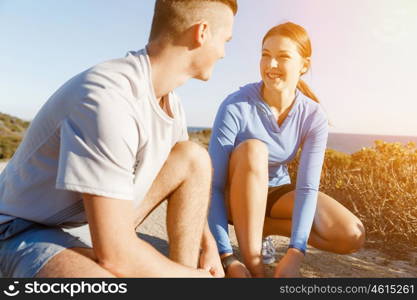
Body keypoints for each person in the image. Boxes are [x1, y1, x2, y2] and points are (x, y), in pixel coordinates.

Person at [0, 0, 237, 278]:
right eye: (226, 40)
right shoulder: (107, 98)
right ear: (202, 32)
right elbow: (117, 257)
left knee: (193, 158)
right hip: (19, 231)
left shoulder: (171, 103)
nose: (223, 53)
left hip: (91, 226)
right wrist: (192, 279)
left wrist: (207, 247)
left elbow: (190, 182)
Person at [208, 22, 366, 278]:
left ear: (304, 65)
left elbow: (306, 188)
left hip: (275, 193)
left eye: (282, 57)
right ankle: (255, 263)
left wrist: (296, 251)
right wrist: (227, 257)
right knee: (254, 150)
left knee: (349, 234)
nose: (270, 65)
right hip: (231, 194)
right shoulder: (236, 105)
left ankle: (257, 228)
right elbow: (212, 185)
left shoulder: (313, 115)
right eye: (265, 55)